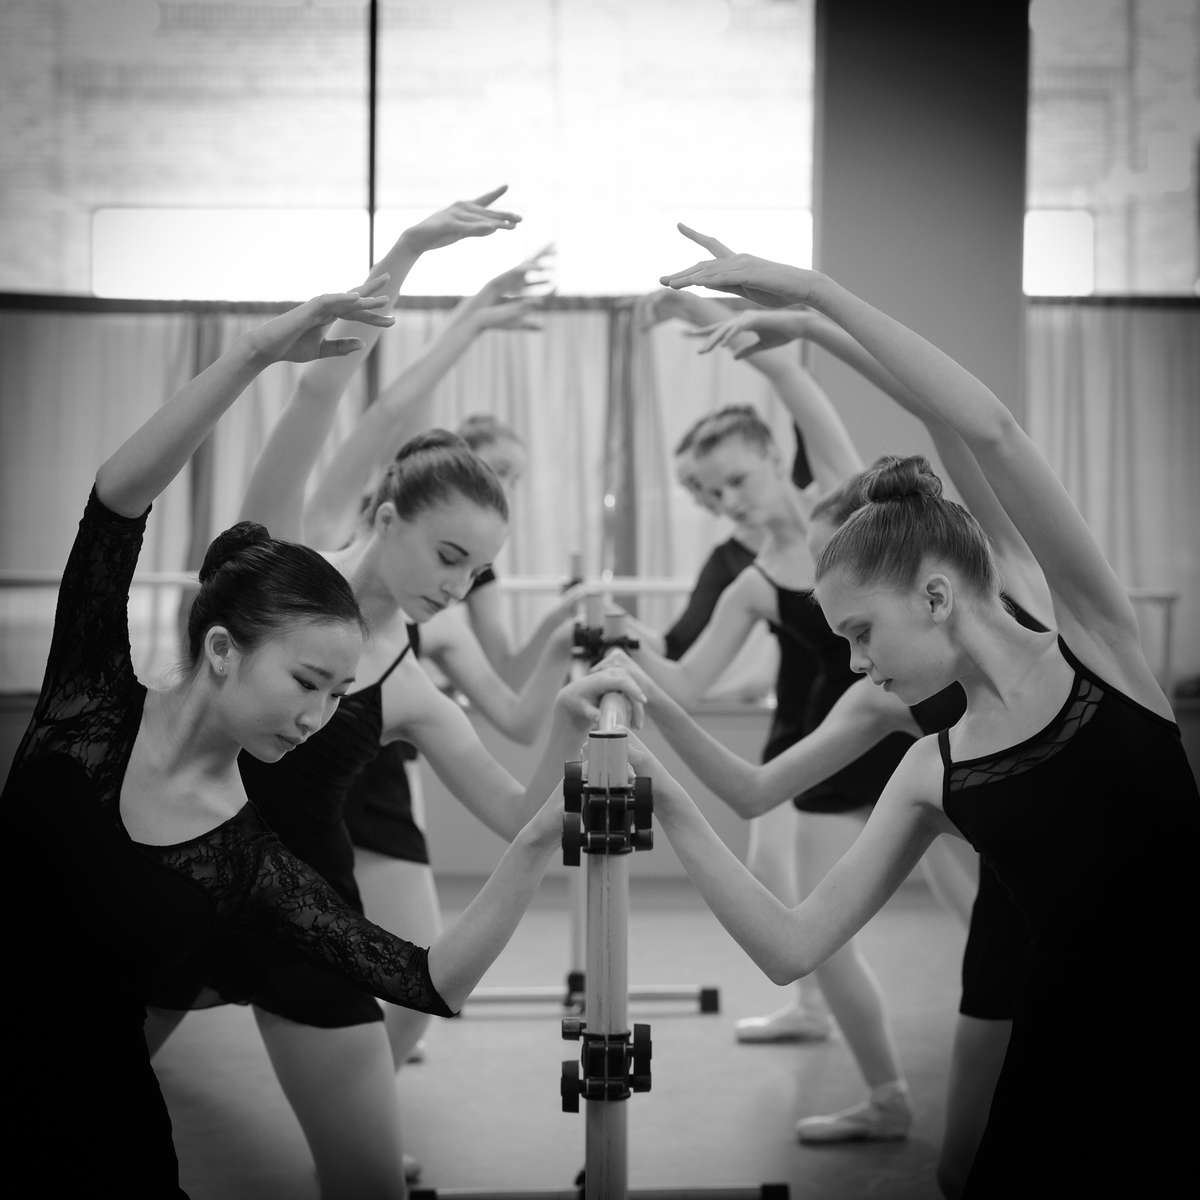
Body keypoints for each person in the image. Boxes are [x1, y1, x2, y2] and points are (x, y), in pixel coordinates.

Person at [649, 231, 1200, 1196]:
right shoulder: (929, 766)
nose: (855, 664)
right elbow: (790, 947)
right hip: (1064, 1049)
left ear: (937, 599)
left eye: (861, 633)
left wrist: (821, 297)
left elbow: (983, 429)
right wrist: (662, 798)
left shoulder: (1097, 642)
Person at [3, 281, 573, 1199]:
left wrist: (549, 820)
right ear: (225, 648)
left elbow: (427, 974)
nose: (317, 717)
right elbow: (118, 500)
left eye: (338, 695)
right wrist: (259, 351)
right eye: (309, 685)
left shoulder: (250, 858)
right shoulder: (95, 698)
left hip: (203, 995)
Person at [146, 200, 644, 1198]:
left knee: (368, 1182)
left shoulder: (408, 677)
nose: (456, 587)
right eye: (447, 556)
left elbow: (512, 809)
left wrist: (564, 718)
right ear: (385, 517)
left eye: (475, 572)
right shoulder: (285, 562)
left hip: (304, 925)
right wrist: (412, 254)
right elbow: (331, 401)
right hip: (175, 887)